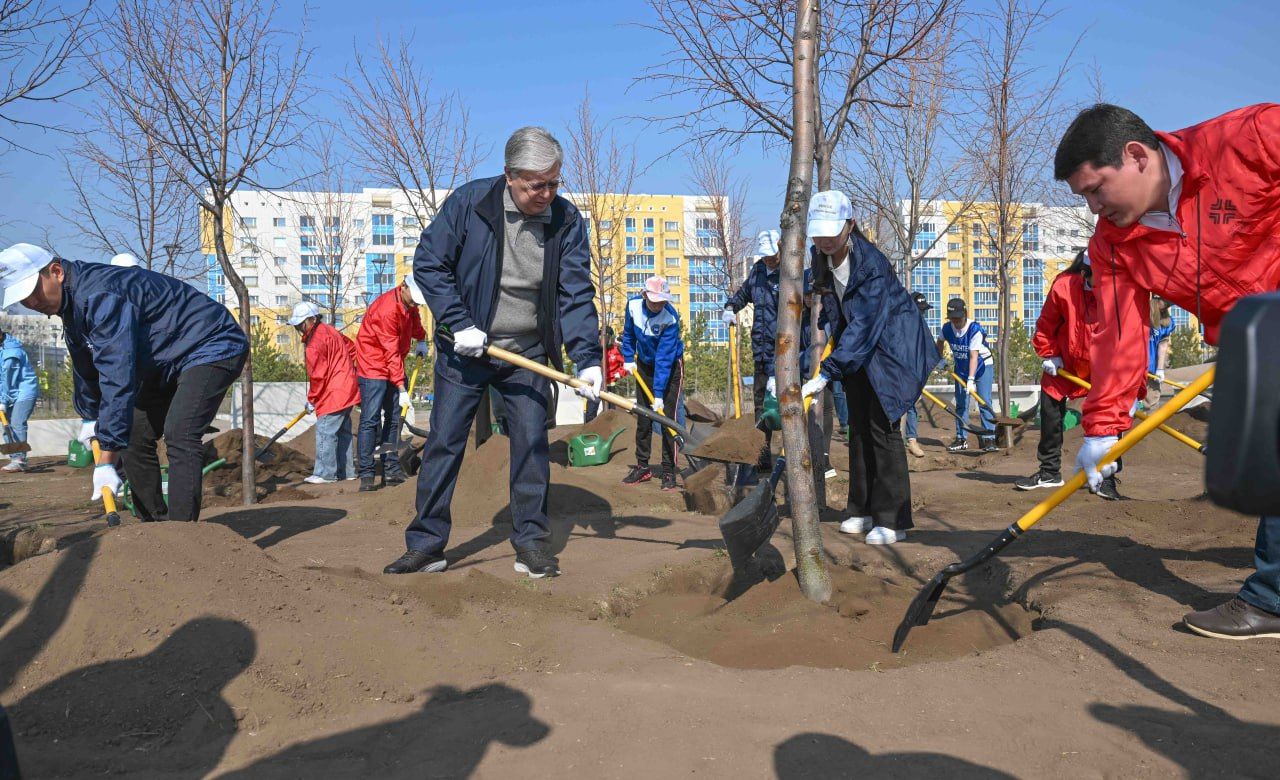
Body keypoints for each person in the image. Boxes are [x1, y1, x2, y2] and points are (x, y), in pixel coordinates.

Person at [1054, 102, 1280, 639]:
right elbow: (1118, 335)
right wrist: (1104, 427)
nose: (1092, 208)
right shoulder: (1113, 244)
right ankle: (1273, 600)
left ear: (1136, 156)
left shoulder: (1247, 141)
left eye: (1095, 189)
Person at [385, 126, 603, 578]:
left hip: (527, 353)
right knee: (444, 443)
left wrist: (588, 358)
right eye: (535, 184)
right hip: (465, 352)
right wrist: (457, 321)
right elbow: (428, 263)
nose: (546, 193)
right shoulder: (470, 206)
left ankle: (531, 544)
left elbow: (576, 293)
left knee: (531, 446)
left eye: (554, 182)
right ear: (509, 176)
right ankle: (426, 544)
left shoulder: (566, 221)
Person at [0, 243, 248, 522]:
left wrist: (106, 459)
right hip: (165, 359)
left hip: (211, 343)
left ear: (56, 272)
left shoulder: (100, 294)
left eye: (33, 292)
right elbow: (87, 370)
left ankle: (182, 532)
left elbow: (117, 372)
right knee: (133, 434)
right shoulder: (72, 308)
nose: (31, 303)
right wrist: (90, 418)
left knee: (180, 431)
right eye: (23, 299)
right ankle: (154, 527)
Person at [800, 191, 940, 545]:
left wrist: (828, 371)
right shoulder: (822, 257)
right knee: (858, 428)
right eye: (818, 232)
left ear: (850, 225)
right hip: (860, 350)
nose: (824, 239)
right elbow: (831, 305)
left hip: (893, 350)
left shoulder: (871, 266)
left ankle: (893, 520)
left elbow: (864, 324)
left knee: (883, 429)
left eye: (831, 231)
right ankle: (860, 510)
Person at [1017, 251, 1122, 499]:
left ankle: (1107, 478)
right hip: (1063, 364)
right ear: (1085, 273)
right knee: (1050, 414)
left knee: (1110, 421)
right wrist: (1049, 354)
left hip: (1102, 365)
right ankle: (1049, 472)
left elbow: (1126, 334)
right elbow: (1046, 324)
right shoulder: (1064, 287)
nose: (1105, 281)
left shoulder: (1118, 290)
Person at [354, 277, 427, 492]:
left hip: (392, 365)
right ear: (403, 287)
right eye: (413, 300)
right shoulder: (386, 310)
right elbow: (390, 351)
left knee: (395, 420)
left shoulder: (408, 304)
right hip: (372, 367)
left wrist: (421, 338)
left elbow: (414, 321)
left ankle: (391, 469)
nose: (415, 305)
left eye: (417, 303)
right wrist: (401, 387)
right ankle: (367, 474)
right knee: (370, 419)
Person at [620, 276, 685, 491]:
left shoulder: (670, 318)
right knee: (644, 417)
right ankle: (642, 466)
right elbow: (628, 335)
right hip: (644, 365)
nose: (657, 305)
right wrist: (629, 358)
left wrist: (658, 394)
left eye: (661, 301)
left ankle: (668, 470)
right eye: (653, 300)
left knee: (668, 420)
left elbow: (664, 359)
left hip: (670, 368)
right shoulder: (633, 307)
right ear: (644, 295)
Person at [723, 229, 781, 468]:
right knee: (761, 405)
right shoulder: (757, 271)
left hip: (784, 352)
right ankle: (762, 457)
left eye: (772, 254)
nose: (769, 259)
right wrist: (730, 306)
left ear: (780, 247)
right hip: (761, 349)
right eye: (765, 255)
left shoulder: (789, 272)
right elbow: (744, 294)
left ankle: (794, 456)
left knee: (783, 406)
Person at [289, 301, 359, 484]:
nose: (298, 329)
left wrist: (312, 399)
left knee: (325, 430)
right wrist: (346, 368)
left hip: (334, 392)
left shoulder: (315, 344)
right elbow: (351, 348)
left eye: (300, 324)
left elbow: (318, 376)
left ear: (312, 319)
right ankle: (347, 471)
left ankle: (325, 473)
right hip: (347, 387)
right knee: (343, 432)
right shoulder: (330, 330)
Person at [938, 298, 997, 452]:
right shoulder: (946, 329)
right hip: (961, 368)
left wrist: (971, 380)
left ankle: (989, 439)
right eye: (953, 319)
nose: (956, 322)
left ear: (965, 314)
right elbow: (938, 343)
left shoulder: (974, 329)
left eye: (958, 318)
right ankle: (961, 438)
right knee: (961, 404)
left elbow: (973, 357)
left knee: (984, 402)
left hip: (982, 365)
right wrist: (940, 359)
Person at [0, 327, 38, 472]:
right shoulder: (2, 347)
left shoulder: (11, 354)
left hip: (24, 391)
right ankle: (14, 458)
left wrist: (3, 400)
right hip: (10, 392)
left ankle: (20, 459)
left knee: (17, 423)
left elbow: (8, 380)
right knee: (5, 424)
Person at [901, 291, 932, 458]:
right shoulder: (902, 325)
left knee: (912, 406)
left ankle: (912, 440)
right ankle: (896, 440)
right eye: (919, 310)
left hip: (914, 373)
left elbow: (927, 349)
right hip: (898, 372)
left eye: (923, 311)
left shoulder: (921, 327)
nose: (922, 314)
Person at [584, 326, 626, 423]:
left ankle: (609, 430)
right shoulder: (594, 350)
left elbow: (626, 364)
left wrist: (620, 373)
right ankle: (589, 430)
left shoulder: (616, 350)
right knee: (590, 412)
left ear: (610, 337)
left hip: (610, 385)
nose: (603, 338)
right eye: (600, 336)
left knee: (610, 412)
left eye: (606, 336)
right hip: (595, 385)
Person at [1145, 296, 1174, 407]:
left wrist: (1160, 369)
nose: (1167, 305)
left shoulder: (1167, 322)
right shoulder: (1141, 313)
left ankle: (1147, 419)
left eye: (1169, 304)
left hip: (1152, 364)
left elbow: (1163, 345)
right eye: (1165, 302)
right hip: (1135, 362)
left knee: (1152, 396)